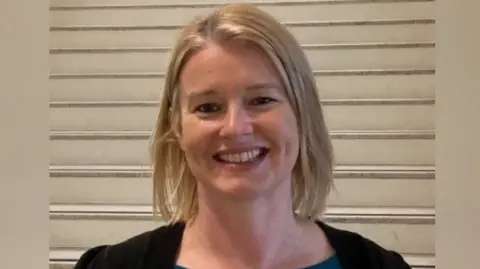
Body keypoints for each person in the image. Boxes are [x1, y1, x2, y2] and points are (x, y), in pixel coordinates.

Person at [74, 3, 411, 269]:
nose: (235, 127)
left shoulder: (377, 265)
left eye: (262, 100)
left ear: (302, 116)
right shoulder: (113, 266)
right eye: (208, 107)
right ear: (176, 127)